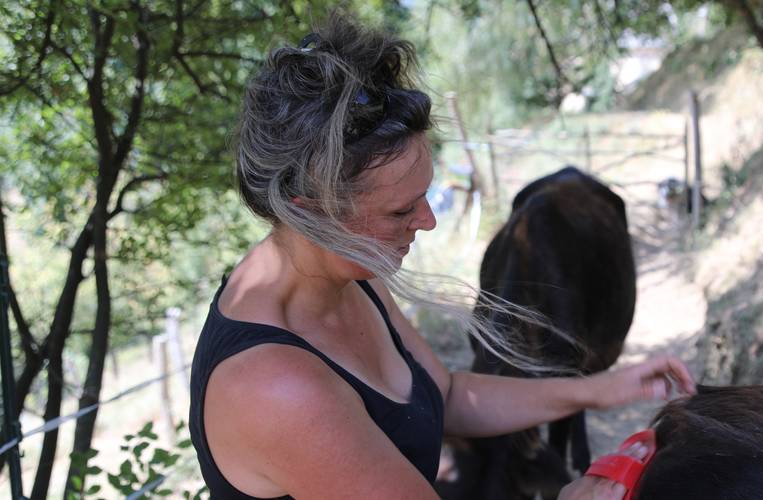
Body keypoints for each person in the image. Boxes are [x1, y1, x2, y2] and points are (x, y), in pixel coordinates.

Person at [188, 11, 696, 500]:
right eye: (400, 210)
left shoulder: (351, 272)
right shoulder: (278, 390)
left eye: (425, 196)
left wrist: (599, 389)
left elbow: (446, 395)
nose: (429, 220)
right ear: (312, 213)